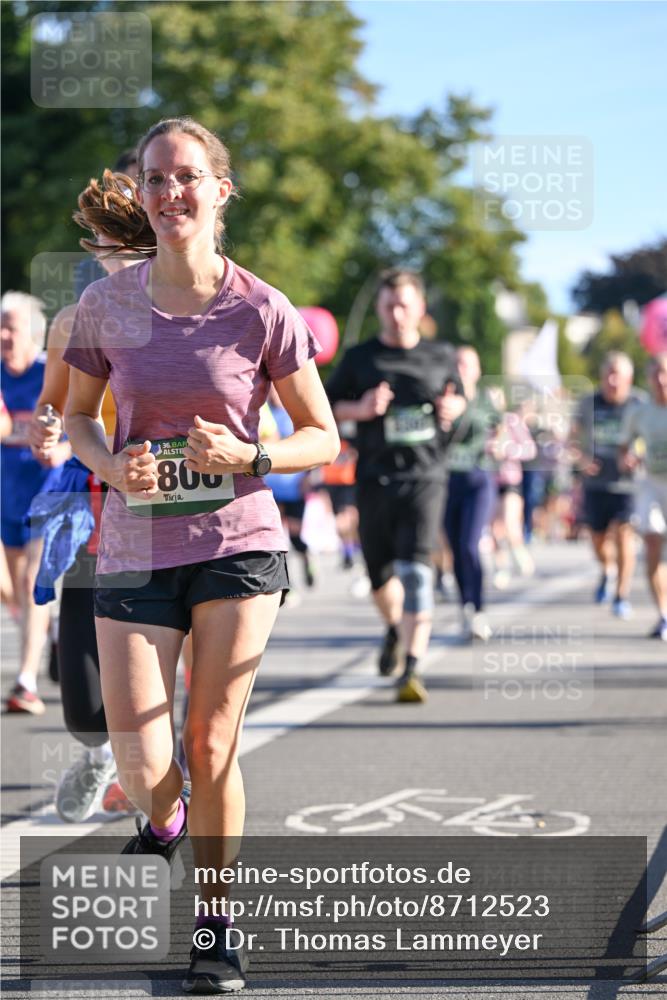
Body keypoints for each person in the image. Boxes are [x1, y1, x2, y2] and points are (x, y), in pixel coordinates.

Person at [63, 116, 339, 993]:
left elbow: (320, 435)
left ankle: (215, 926)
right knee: (144, 764)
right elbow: (73, 416)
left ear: (221, 190)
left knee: (210, 741)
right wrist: (110, 461)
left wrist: (249, 456)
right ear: (141, 194)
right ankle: (169, 819)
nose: (169, 192)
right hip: (137, 547)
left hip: (237, 544)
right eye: (154, 179)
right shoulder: (107, 304)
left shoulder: (261, 307)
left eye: (186, 176)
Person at [28, 176, 142, 821]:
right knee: (81, 690)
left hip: (163, 514)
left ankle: (167, 778)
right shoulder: (73, 320)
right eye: (102, 245)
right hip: (90, 512)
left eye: (123, 245)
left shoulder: (184, 313)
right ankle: (98, 754)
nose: (110, 258)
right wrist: (48, 432)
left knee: (153, 664)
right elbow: (51, 406)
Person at [326, 269, 466, 703]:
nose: (397, 313)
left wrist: (451, 409)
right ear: (380, 309)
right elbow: (326, 409)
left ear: (420, 308)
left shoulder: (441, 355)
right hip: (374, 477)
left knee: (417, 569)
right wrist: (363, 409)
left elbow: (461, 400)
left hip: (426, 476)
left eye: (405, 304)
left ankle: (412, 667)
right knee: (379, 573)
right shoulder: (359, 358)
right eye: (389, 305)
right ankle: (393, 627)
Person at [1, 292, 68, 714]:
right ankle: (51, 629)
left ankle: (26, 682)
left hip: (49, 495)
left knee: (31, 585)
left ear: (34, 334)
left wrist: (61, 451)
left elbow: (83, 424)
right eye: (1, 326)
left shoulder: (52, 373)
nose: (3, 334)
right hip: (6, 496)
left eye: (12, 327)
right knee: (10, 588)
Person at [572, 352, 645, 617]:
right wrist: (581, 459)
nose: (613, 381)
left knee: (625, 535)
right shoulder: (588, 403)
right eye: (608, 375)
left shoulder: (639, 403)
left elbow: (654, 437)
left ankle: (621, 595)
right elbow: (572, 438)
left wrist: (639, 456)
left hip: (628, 484)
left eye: (619, 375)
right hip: (595, 483)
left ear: (629, 378)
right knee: (598, 541)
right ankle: (607, 569)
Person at [443, 346, 500, 641]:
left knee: (469, 544)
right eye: (458, 363)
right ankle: (465, 606)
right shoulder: (444, 398)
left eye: (468, 364)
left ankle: (478, 610)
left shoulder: (485, 398)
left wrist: (497, 444)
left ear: (477, 370)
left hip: (478, 479)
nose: (462, 368)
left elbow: (498, 427)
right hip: (446, 481)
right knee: (455, 549)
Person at [619, 353, 667, 641]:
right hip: (651, 483)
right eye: (655, 374)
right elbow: (623, 447)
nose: (661, 380)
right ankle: (664, 614)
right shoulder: (639, 412)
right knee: (652, 544)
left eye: (665, 373)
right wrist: (627, 459)